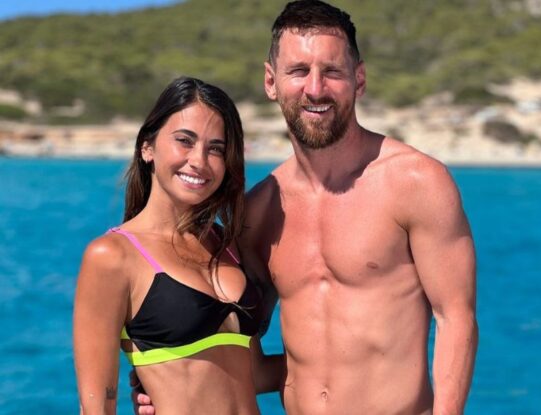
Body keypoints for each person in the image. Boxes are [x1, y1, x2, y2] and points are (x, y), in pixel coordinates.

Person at [135, 1, 478, 414]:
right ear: (271, 81)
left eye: (332, 71)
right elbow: (241, 347)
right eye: (298, 71)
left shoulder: (416, 183)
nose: (315, 89)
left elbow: (455, 318)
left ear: (359, 79)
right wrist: (168, 382)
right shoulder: (259, 211)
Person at [73, 76, 283, 415]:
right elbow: (96, 407)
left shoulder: (226, 246)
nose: (199, 160)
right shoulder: (112, 256)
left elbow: (255, 375)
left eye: (216, 148)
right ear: (148, 147)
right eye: (185, 141)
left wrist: (355, 359)